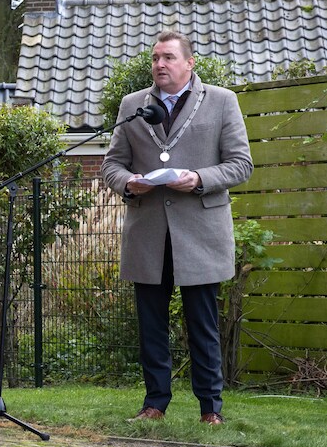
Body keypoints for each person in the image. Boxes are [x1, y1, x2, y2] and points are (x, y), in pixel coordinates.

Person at [100, 30, 253, 426]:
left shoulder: (222, 101)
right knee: (151, 326)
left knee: (202, 325)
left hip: (200, 232)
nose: (160, 65)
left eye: (168, 57)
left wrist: (199, 177)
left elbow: (241, 164)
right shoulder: (133, 105)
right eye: (155, 58)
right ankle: (154, 404)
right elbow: (111, 164)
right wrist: (128, 183)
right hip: (148, 232)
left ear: (189, 63)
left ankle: (210, 409)